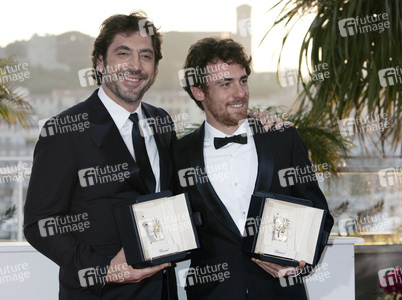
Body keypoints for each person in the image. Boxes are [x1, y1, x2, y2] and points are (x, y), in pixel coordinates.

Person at [24, 12, 178, 299]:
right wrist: (104, 270)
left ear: (155, 68)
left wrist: (256, 125)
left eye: (146, 56)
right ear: (99, 62)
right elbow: (38, 224)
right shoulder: (64, 130)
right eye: (123, 53)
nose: (135, 65)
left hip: (161, 291)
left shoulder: (162, 122)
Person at [172, 37, 334, 299]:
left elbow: (319, 213)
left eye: (243, 80)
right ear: (198, 91)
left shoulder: (283, 138)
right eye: (226, 84)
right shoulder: (179, 154)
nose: (240, 93)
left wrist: (300, 262)